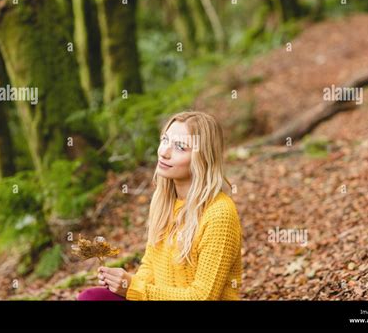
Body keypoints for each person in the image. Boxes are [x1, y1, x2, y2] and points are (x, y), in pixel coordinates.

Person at [77, 111, 243, 301]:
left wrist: (134, 288)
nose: (164, 152)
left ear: (203, 158)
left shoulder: (219, 214)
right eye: (165, 140)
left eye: (180, 147)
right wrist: (125, 284)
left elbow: (202, 297)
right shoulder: (164, 202)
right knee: (92, 297)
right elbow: (150, 265)